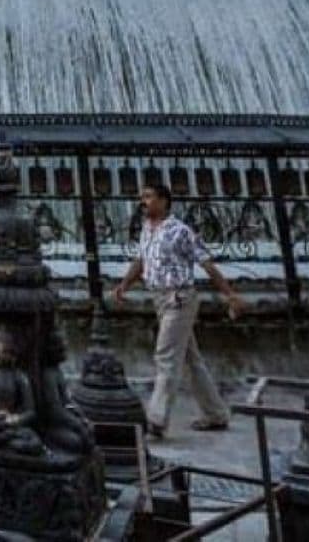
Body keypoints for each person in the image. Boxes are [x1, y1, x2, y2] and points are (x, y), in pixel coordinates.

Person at [110, 183, 246, 439]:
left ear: (163, 201)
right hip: (159, 299)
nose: (143, 202)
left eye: (148, 197)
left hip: (179, 299)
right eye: (142, 197)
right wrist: (124, 285)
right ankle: (216, 413)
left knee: (165, 356)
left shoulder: (179, 231)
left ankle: (157, 418)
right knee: (191, 359)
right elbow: (141, 261)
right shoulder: (147, 230)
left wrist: (229, 294)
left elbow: (206, 263)